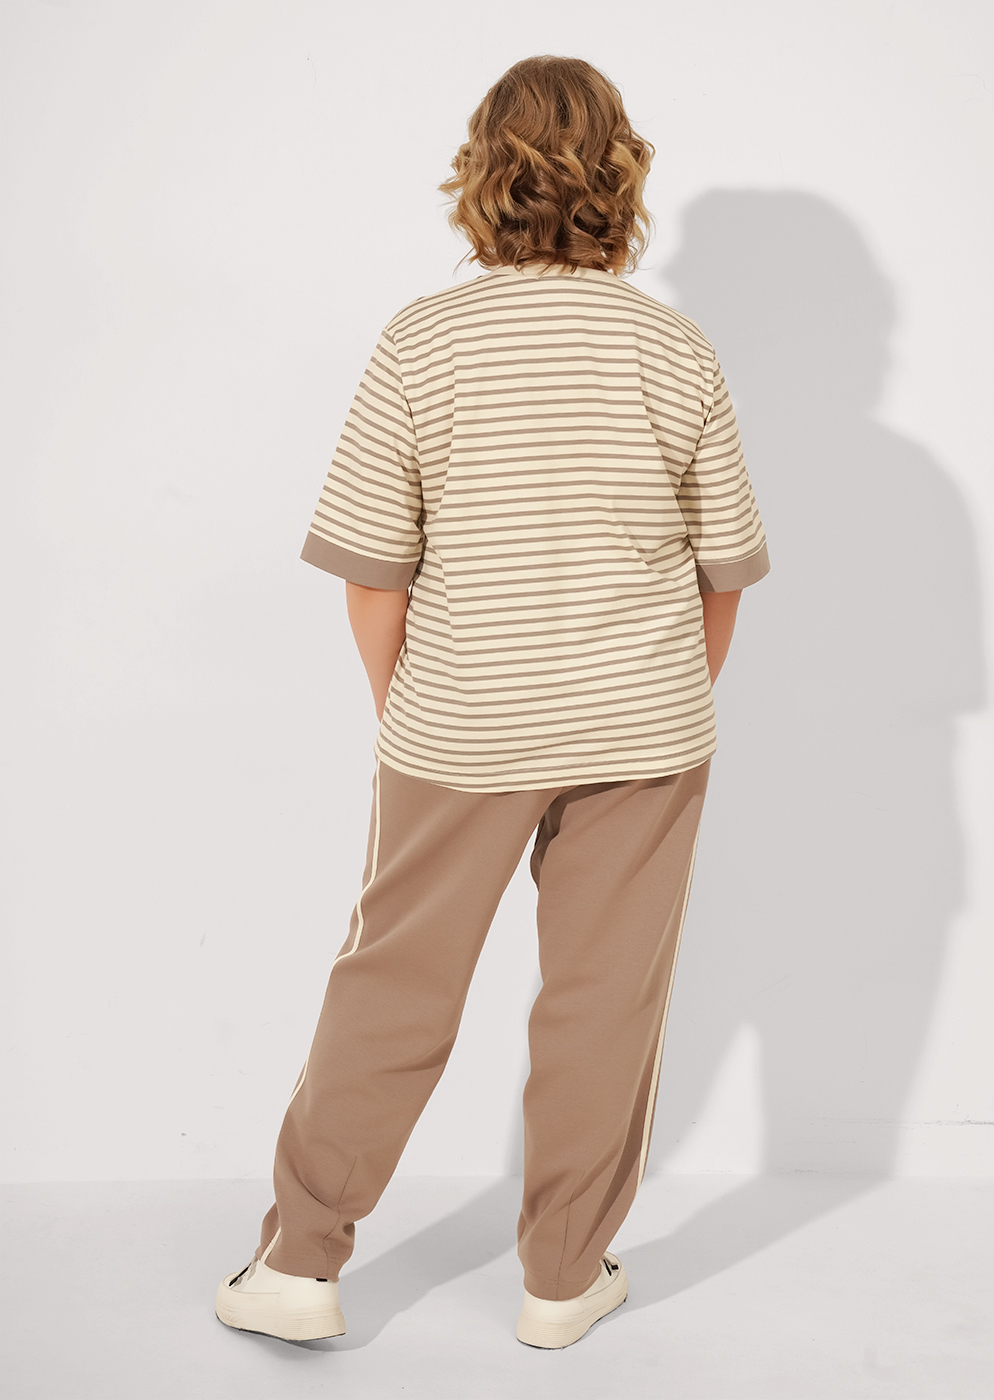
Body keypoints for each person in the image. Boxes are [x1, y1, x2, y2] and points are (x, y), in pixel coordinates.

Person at [215, 54, 769, 1351]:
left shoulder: (424, 340)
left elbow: (372, 574)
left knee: (392, 984)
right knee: (603, 1003)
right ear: (623, 174)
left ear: (480, 175)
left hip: (459, 723)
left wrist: (408, 709)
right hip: (644, 732)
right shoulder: (676, 349)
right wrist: (652, 706)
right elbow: (723, 579)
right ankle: (563, 1280)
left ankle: (299, 1265)